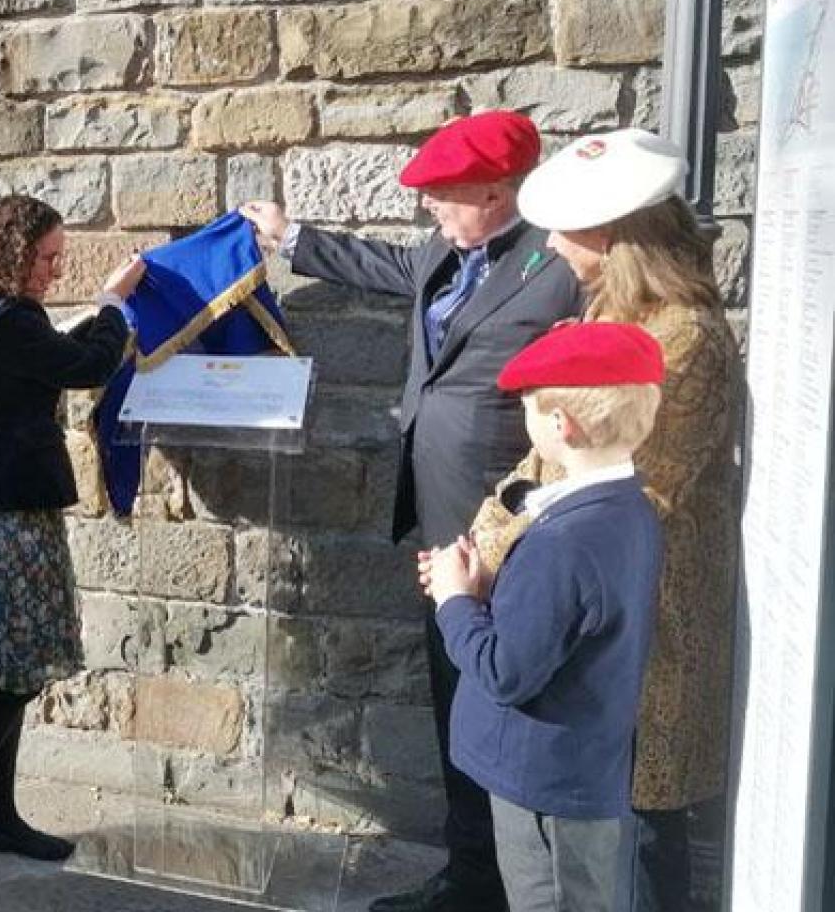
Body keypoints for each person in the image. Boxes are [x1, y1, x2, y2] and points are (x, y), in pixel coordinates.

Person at [242, 109, 584, 912]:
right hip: (440, 515)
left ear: (499, 192)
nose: (427, 206)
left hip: (512, 522)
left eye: (443, 193)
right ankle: (473, 874)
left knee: (508, 698)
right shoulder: (445, 246)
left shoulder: (562, 260)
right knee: (453, 692)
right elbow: (393, 265)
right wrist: (293, 238)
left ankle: (514, 880)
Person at [467, 129, 741, 912]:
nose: (549, 245)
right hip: (601, 603)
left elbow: (618, 489)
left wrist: (490, 552)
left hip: (644, 626)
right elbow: (543, 462)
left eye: (565, 231)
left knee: (639, 837)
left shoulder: (681, 339)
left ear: (616, 240)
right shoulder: (625, 316)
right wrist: (487, 537)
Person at [0, 196, 145, 902]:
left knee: (16, 667)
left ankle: (0, 817)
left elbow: (41, 363)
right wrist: (113, 305)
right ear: (13, 253)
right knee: (11, 675)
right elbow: (86, 366)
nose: (54, 270)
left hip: (1, 505)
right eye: (46, 258)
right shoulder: (6, 317)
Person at [425, 321, 667, 912]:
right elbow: (574, 620)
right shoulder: (629, 511)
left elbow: (504, 670)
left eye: (531, 408)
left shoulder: (563, 541)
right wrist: (493, 587)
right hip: (581, 769)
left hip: (544, 790)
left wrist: (455, 598)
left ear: (561, 425)